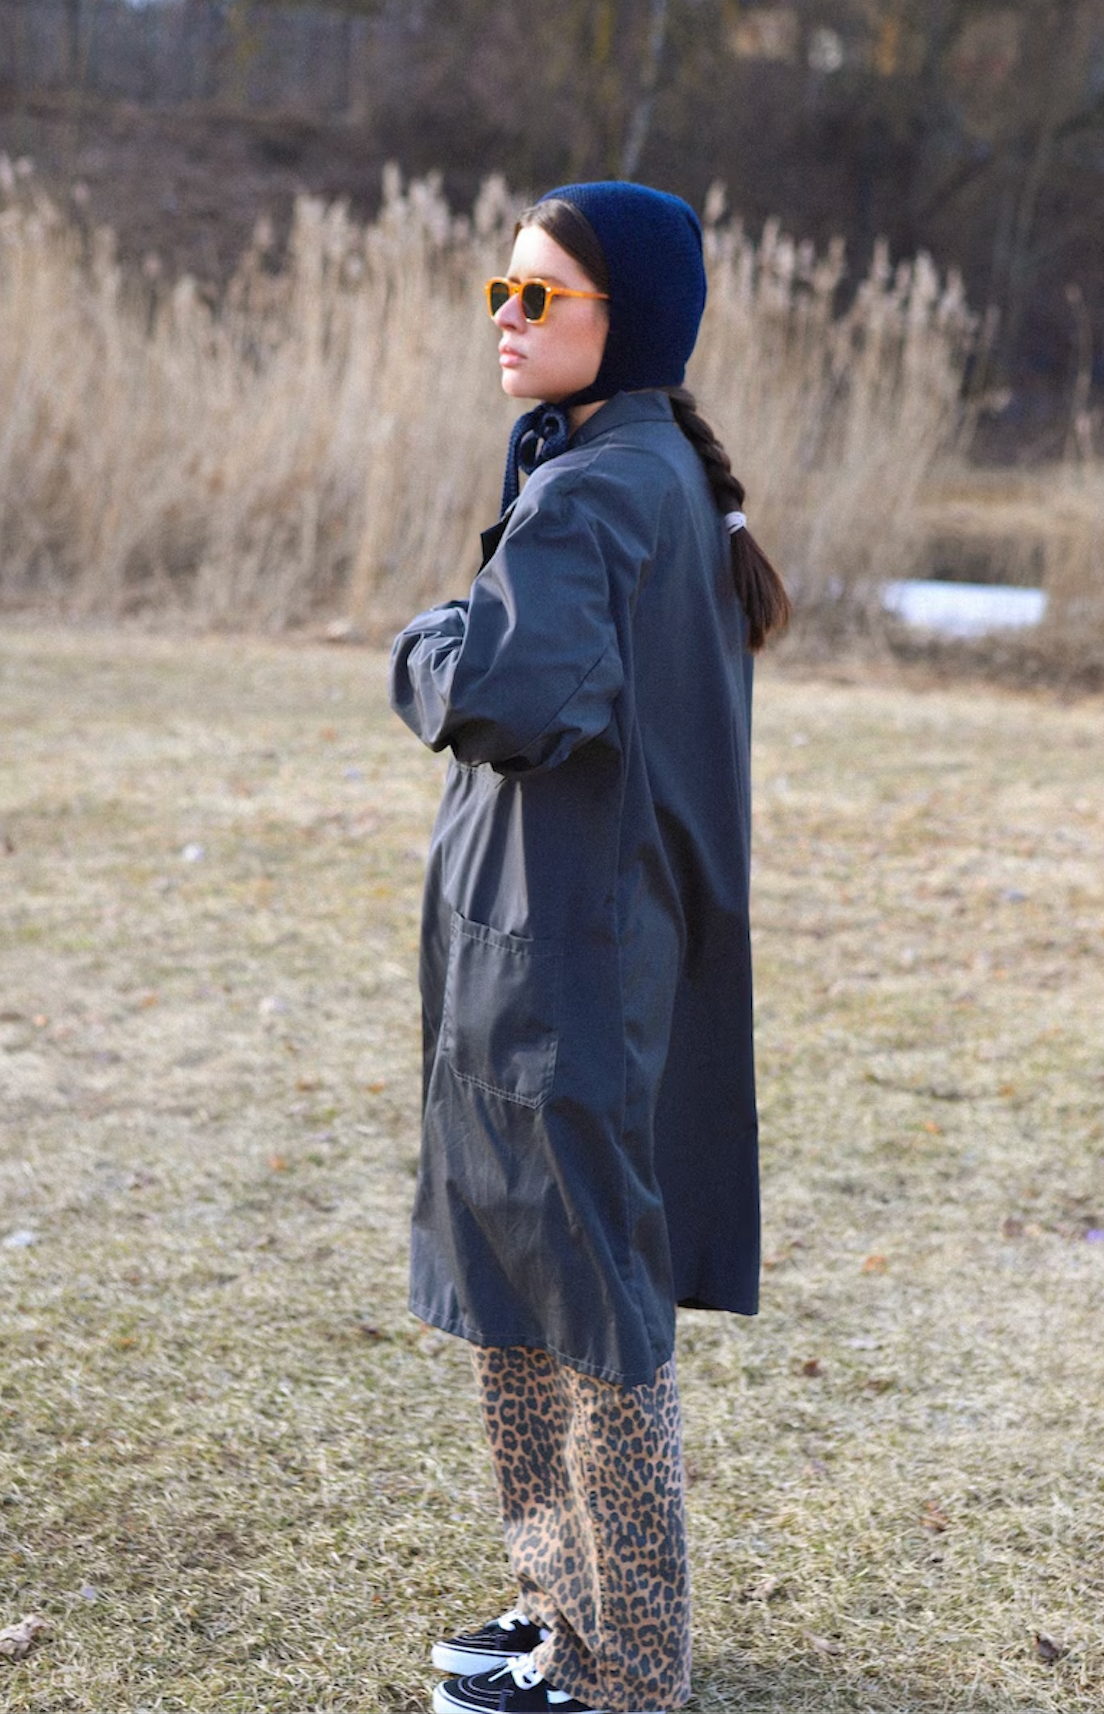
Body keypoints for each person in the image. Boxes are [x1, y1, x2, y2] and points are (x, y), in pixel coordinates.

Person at [388, 180, 789, 1714]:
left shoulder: (601, 490)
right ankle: (561, 1604)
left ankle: (623, 1668)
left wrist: (422, 636)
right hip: (559, 942)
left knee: (590, 1307)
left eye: (540, 295)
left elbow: (495, 691)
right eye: (501, 287)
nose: (504, 314)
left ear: (626, 323)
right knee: (526, 1280)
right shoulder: (637, 468)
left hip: (566, 959)